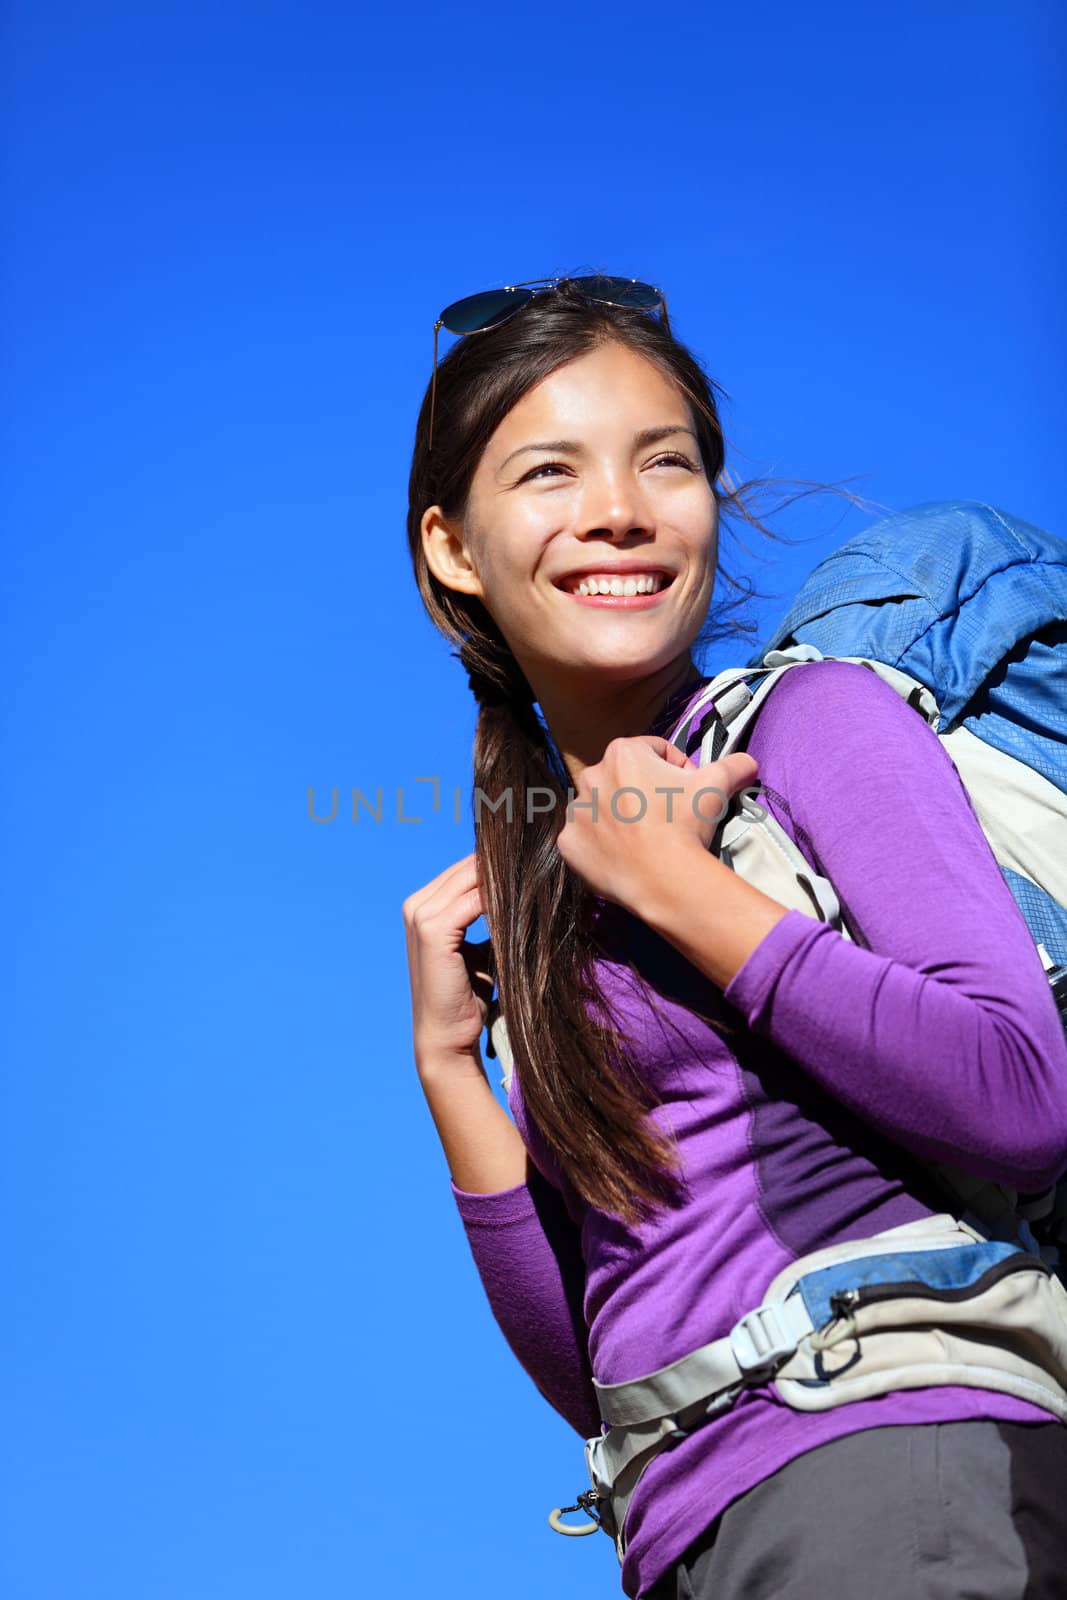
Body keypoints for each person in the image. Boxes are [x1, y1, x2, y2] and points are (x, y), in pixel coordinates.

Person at [401, 277, 1067, 1599]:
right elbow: (607, 1370)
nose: (620, 511)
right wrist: (448, 1069)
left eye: (668, 463)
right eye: (551, 471)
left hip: (896, 1453)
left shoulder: (809, 725)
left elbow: (1023, 1094)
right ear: (454, 547)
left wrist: (681, 891)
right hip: (693, 1528)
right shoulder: (553, 893)